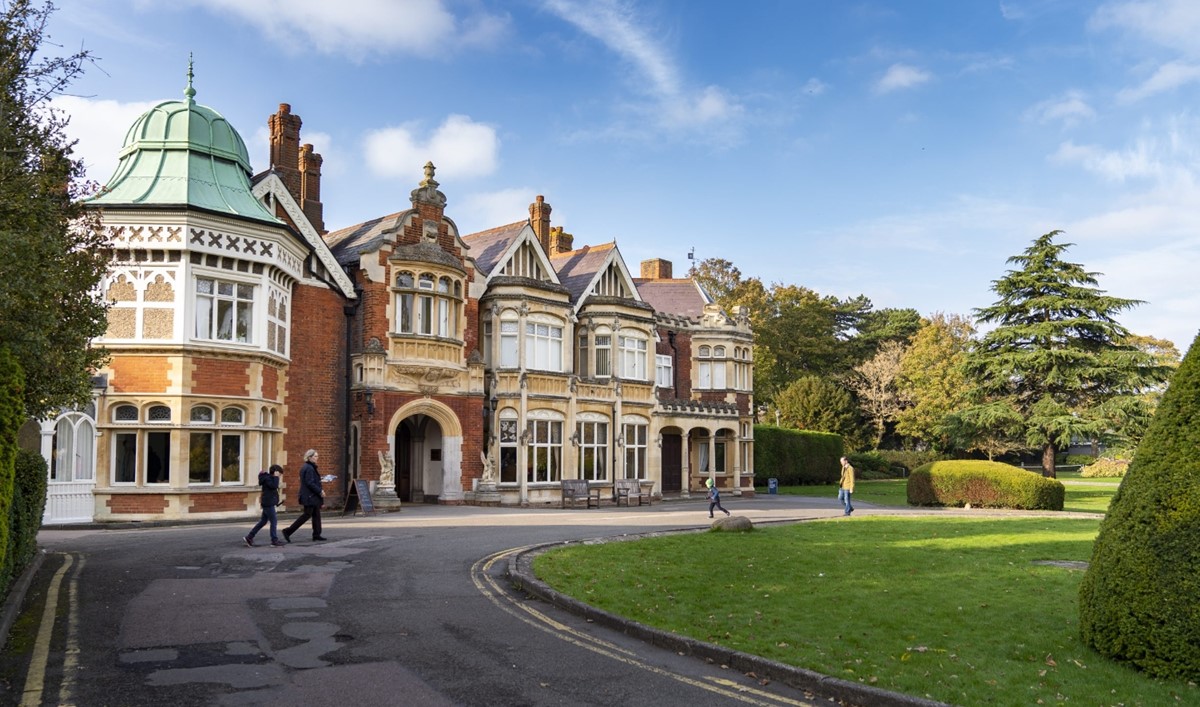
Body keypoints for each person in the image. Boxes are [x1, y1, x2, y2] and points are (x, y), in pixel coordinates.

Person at [283, 449, 327, 542]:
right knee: (307, 515)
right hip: (309, 496)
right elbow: (309, 483)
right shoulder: (309, 468)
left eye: (317, 456)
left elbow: (311, 481)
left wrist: (321, 480)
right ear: (309, 457)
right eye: (315, 456)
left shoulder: (309, 467)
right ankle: (288, 531)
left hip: (311, 496)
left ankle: (316, 534)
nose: (317, 458)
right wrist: (320, 491)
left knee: (316, 515)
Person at [244, 464, 285, 547]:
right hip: (268, 503)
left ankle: (249, 537)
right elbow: (274, 486)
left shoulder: (269, 478)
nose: (280, 476)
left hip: (268, 503)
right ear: (276, 472)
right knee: (274, 521)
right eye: (279, 474)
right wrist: (276, 477)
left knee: (263, 521)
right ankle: (274, 540)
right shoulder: (268, 479)